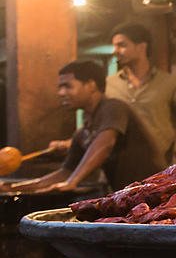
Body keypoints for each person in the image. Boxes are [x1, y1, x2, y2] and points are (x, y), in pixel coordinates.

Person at [14, 60, 164, 192]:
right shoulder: (82, 132)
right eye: (59, 87)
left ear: (91, 85)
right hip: (130, 196)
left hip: (155, 191)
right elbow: (66, 171)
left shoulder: (114, 107)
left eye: (67, 86)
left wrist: (72, 181)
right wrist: (15, 188)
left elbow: (105, 144)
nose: (61, 93)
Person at [105, 21, 176, 164]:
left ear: (142, 47)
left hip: (158, 167)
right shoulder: (109, 84)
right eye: (114, 46)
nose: (114, 51)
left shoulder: (170, 83)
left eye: (121, 45)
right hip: (116, 167)